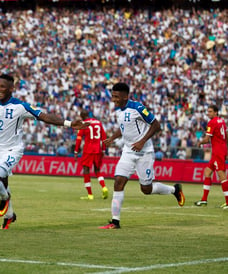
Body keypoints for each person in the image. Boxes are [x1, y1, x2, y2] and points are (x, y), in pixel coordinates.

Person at [0, 74, 89, 229]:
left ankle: (5, 198)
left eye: (3, 87)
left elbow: (44, 116)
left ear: (11, 89)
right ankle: (9, 216)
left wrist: (69, 123)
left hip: (13, 150)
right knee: (3, 183)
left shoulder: (21, 107)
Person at [100, 82, 185, 229]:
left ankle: (174, 190)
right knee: (118, 182)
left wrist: (142, 141)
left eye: (116, 96)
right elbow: (124, 129)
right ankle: (115, 222)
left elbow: (156, 125)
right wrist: (112, 138)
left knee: (146, 189)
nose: (114, 99)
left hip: (144, 153)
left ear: (125, 96)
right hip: (128, 151)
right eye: (112, 96)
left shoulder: (138, 108)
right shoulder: (120, 111)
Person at [194, 105, 228, 209]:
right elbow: (226, 136)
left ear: (216, 112)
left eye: (210, 111)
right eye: (208, 111)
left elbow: (207, 139)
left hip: (218, 151)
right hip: (221, 149)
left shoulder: (212, 122)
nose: (208, 113)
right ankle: (204, 200)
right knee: (207, 172)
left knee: (221, 174)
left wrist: (200, 142)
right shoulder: (221, 121)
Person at [74, 109, 108, 200]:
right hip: (98, 149)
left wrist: (76, 151)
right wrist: (104, 150)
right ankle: (104, 187)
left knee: (86, 170)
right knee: (97, 170)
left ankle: (90, 194)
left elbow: (79, 138)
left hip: (88, 150)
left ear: (81, 116)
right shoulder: (98, 122)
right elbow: (104, 137)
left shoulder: (83, 124)